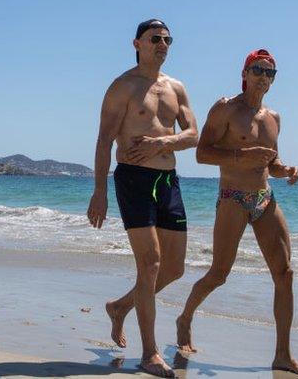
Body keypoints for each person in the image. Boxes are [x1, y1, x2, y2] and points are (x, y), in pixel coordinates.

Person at [175, 49, 298, 377]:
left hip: (265, 198)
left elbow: (271, 163)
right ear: (246, 73)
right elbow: (202, 154)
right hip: (233, 198)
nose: (264, 77)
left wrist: (287, 170)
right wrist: (241, 155)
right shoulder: (226, 108)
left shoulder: (273, 118)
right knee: (219, 274)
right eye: (259, 70)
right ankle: (185, 317)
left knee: (285, 274)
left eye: (271, 73)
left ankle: (282, 355)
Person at [86, 19, 199, 378]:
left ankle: (120, 307)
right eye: (155, 39)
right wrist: (99, 191)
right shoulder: (123, 87)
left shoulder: (176, 88)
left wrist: (162, 142)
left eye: (168, 39)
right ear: (137, 43)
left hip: (168, 180)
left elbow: (194, 134)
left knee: (174, 268)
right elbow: (104, 140)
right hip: (133, 180)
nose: (163, 44)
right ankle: (150, 354)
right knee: (149, 265)